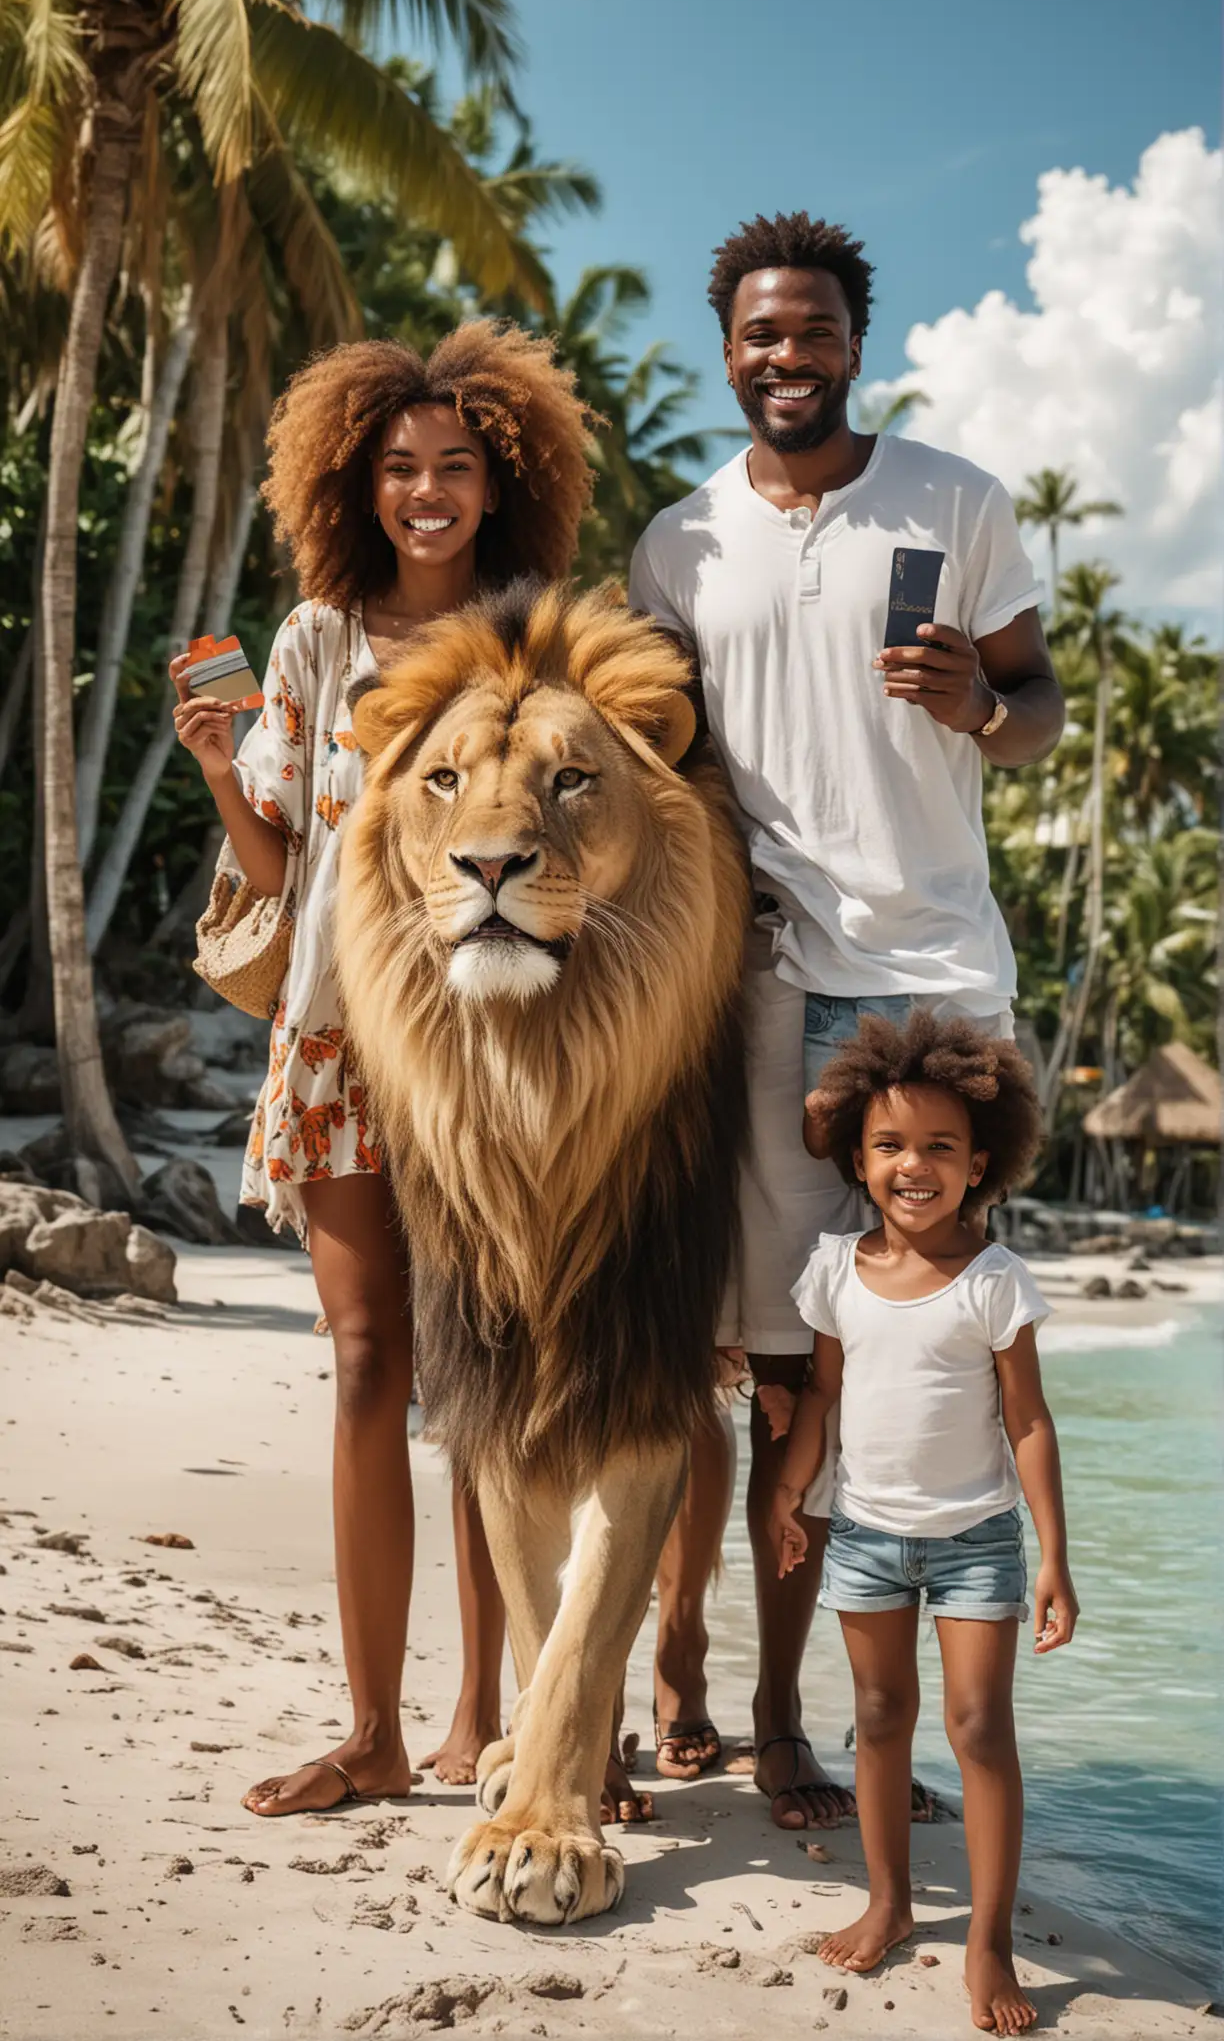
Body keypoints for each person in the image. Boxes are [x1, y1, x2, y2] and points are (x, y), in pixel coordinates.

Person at [629, 211, 1065, 1830]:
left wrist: (977, 705)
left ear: (851, 341)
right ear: (724, 346)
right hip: (762, 989)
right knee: (756, 1364)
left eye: (809, 329)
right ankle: (679, 1668)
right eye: (756, 332)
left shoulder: (953, 502)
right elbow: (653, 763)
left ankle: (782, 1713)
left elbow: (1035, 707)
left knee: (886, 1377)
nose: (782, 356)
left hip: (938, 981)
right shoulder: (674, 543)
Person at [171, 323, 597, 1815]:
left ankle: (492, 1711)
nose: (426, 492)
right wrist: (227, 772)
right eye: (400, 468)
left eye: (455, 468)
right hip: (345, 1034)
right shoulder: (313, 638)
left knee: (486, 1378)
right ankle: (371, 1729)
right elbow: (282, 869)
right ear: (358, 481)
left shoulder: (534, 639)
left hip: (495, 1048)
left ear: (502, 482)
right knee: (368, 1365)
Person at [769, 1010, 1077, 2035]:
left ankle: (986, 1939)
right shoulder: (831, 1272)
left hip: (979, 1539)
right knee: (880, 1717)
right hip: (863, 1534)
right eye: (891, 1145)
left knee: (980, 1727)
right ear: (859, 1158)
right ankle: (890, 1900)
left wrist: (1053, 1560)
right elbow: (820, 1397)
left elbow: (1028, 1422)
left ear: (980, 1163)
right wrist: (787, 1496)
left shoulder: (994, 1282)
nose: (915, 1165)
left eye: (941, 1147)